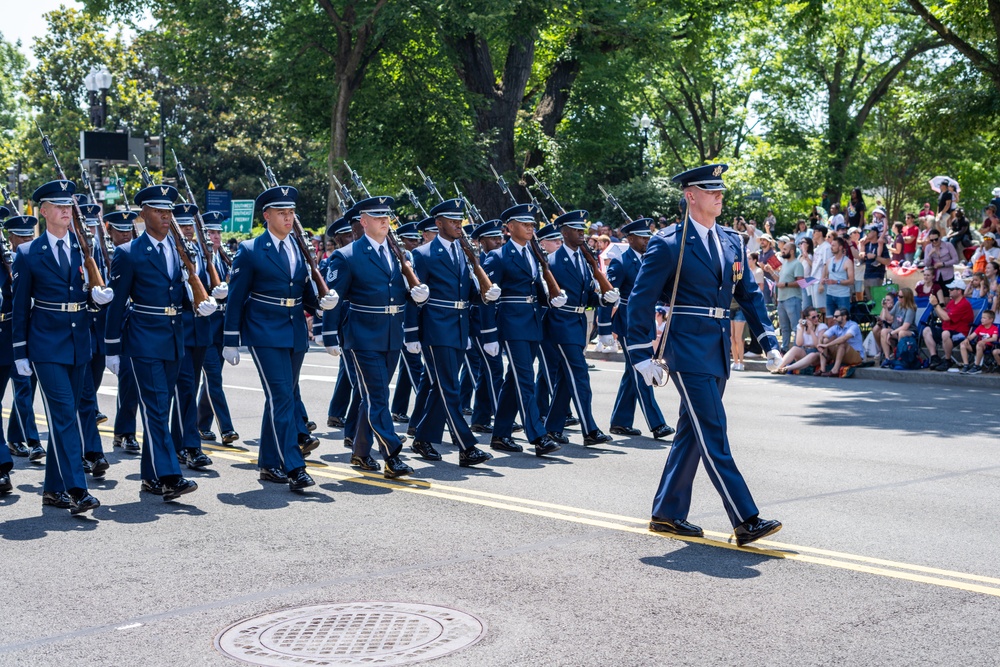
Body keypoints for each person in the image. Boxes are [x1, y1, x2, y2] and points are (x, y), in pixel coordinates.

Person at [627, 163, 782, 548]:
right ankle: (746, 518)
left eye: (721, 190)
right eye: (710, 190)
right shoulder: (668, 243)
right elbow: (641, 299)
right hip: (687, 347)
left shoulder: (731, 241)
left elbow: (749, 295)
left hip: (716, 347)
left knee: (692, 433)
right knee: (712, 429)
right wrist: (640, 353)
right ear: (690, 195)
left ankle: (667, 513)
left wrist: (768, 340)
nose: (719, 195)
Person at [223, 185, 338, 489]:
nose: (289, 218)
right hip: (263, 331)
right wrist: (230, 339)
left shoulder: (297, 248)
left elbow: (301, 291)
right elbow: (236, 297)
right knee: (283, 397)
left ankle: (268, 464)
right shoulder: (250, 250)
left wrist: (320, 305)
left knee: (280, 398)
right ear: (267, 216)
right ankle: (294, 465)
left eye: (291, 213)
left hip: (294, 330)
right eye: (282, 213)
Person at [105, 182, 212, 501]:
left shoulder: (178, 250)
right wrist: (112, 346)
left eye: (169, 211)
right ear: (144, 214)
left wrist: (197, 300)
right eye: (159, 211)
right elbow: (117, 303)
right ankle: (169, 476)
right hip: (143, 337)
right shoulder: (128, 254)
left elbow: (178, 290)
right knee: (153, 409)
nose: (166, 217)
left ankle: (151, 477)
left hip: (174, 336)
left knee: (162, 408)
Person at [13, 180, 114, 513]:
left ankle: (53, 489)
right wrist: (20, 351)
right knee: (62, 416)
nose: (65, 211)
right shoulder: (28, 253)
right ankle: (76, 489)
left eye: (68, 206)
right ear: (43, 212)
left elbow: (88, 295)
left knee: (67, 416)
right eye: (58, 207)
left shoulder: (83, 250)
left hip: (78, 341)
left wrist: (98, 301)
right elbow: (18, 306)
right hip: (45, 343)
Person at [324, 196, 426, 477]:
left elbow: (398, 291)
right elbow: (335, 298)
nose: (385, 221)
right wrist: (330, 334)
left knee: (372, 397)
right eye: (377, 217)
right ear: (364, 222)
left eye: (387, 217)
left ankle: (359, 453)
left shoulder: (397, 254)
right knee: (379, 396)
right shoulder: (347, 256)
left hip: (392, 333)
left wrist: (414, 295)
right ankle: (392, 454)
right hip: (363, 335)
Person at [404, 198, 498, 467]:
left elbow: (467, 292)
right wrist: (411, 333)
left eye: (460, 220)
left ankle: (422, 438)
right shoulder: (422, 254)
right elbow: (414, 295)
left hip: (458, 326)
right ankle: (466, 446)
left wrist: (484, 294)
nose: (458, 225)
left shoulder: (463, 252)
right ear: (439, 223)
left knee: (439, 388)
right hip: (436, 326)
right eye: (452, 220)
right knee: (450, 387)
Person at [482, 204, 565, 457]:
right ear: (508, 228)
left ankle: (500, 434)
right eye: (524, 223)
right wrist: (488, 334)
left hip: (531, 322)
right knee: (525, 379)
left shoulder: (533, 253)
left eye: (532, 224)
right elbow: (487, 296)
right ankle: (538, 436)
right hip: (511, 323)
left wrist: (550, 299)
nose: (531, 227)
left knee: (514, 379)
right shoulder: (497, 256)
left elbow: (533, 287)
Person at [540, 209, 618, 446]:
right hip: (560, 324)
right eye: (576, 229)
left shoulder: (584, 260)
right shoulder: (552, 261)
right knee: (580, 374)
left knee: (566, 378)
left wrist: (604, 299)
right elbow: (544, 295)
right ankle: (589, 429)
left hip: (578, 322)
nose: (582, 233)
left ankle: (552, 428)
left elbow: (587, 296)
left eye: (582, 229)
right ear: (563, 232)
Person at [603, 219, 674, 438]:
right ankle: (657, 423)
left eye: (648, 236)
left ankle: (620, 421)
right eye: (642, 237)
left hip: (645, 321)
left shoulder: (648, 261)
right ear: (630, 238)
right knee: (641, 370)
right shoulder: (620, 262)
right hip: (627, 323)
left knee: (630, 372)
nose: (646, 241)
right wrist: (605, 327)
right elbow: (607, 296)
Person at [170, 203, 227, 470]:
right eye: (182, 227)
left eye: (190, 227)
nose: (187, 232)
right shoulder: (170, 252)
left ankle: (178, 442)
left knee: (189, 390)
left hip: (201, 331)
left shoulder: (201, 255)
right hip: (179, 329)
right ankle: (191, 447)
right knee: (184, 389)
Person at [3, 215, 45, 462]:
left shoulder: (36, 257)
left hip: (37, 332)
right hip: (14, 332)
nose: (27, 240)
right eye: (21, 236)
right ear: (11, 239)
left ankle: (15, 437)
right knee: (23, 387)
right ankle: (33, 440)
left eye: (30, 235)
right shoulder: (7, 261)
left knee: (30, 386)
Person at [196, 211, 238, 445]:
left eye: (218, 232)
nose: (216, 236)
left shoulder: (224, 258)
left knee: (212, 378)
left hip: (222, 328)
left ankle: (200, 424)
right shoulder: (198, 259)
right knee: (213, 377)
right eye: (211, 232)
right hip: (205, 328)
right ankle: (227, 428)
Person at [103, 211, 142, 455]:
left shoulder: (136, 251)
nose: (125, 233)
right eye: (120, 230)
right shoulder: (98, 251)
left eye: (128, 229)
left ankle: (124, 432)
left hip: (132, 321)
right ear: (109, 231)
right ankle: (122, 432)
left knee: (132, 383)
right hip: (105, 322)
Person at [468, 220, 506, 433]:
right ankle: (501, 415)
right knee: (494, 370)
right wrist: (489, 332)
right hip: (480, 325)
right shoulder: (486, 262)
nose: (498, 242)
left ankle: (481, 418)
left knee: (486, 371)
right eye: (493, 238)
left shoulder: (492, 259)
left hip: (489, 324)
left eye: (499, 237)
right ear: (481, 241)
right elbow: (484, 300)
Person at [922, 277, 974, 372]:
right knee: (926, 330)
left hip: (960, 333)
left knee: (945, 334)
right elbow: (942, 317)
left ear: (959, 291)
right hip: (947, 329)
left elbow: (946, 317)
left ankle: (947, 360)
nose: (948, 290)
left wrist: (936, 304)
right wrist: (936, 306)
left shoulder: (963, 304)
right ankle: (934, 357)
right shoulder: (951, 303)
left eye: (951, 289)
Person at [772, 307, 828, 374]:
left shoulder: (822, 326)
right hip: (804, 351)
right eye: (813, 317)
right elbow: (799, 344)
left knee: (812, 355)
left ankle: (787, 368)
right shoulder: (801, 326)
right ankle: (778, 367)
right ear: (806, 318)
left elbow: (817, 345)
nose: (816, 319)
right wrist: (801, 328)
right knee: (795, 348)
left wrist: (811, 330)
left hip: (817, 353)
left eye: (817, 316)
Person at [774, 237, 804, 351]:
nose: (782, 251)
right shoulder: (785, 263)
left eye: (785, 249)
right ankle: (785, 349)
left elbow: (801, 282)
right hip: (781, 300)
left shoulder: (797, 264)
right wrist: (770, 272)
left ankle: (797, 349)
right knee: (784, 328)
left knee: (796, 327)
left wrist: (786, 284)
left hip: (792, 299)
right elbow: (779, 281)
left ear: (791, 251)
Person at [816, 309, 864, 376]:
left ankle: (835, 370)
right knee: (825, 340)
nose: (834, 318)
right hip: (843, 354)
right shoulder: (836, 327)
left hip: (856, 356)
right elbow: (823, 336)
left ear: (844, 317)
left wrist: (827, 345)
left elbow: (844, 338)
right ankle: (822, 369)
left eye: (836, 316)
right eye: (834, 316)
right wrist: (819, 345)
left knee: (842, 343)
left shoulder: (853, 326)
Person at [878, 287, 917, 365]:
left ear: (907, 298)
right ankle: (887, 358)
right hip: (897, 330)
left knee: (901, 332)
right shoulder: (898, 304)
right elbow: (890, 317)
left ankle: (899, 357)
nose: (898, 298)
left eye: (901, 297)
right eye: (898, 296)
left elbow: (905, 327)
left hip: (910, 332)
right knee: (883, 331)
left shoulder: (911, 309)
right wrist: (885, 308)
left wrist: (891, 333)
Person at [822, 236, 854, 322]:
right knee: (830, 321)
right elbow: (825, 275)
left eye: (833, 245)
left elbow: (851, 281)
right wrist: (824, 280)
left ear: (840, 247)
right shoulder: (829, 261)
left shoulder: (847, 261)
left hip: (842, 295)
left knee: (843, 321)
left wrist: (836, 281)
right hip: (830, 294)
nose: (831, 247)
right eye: (831, 245)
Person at [958, 310, 997, 374]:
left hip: (987, 346)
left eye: (984, 318)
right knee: (963, 344)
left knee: (979, 345)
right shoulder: (980, 327)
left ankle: (977, 366)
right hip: (977, 345)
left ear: (991, 320)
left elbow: (994, 338)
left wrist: (984, 341)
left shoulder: (994, 328)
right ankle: (966, 365)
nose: (982, 319)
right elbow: (971, 336)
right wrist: (967, 339)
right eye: (982, 317)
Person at [861, 223, 890, 299]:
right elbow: (861, 259)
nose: (866, 233)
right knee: (870, 303)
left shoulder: (881, 245)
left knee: (877, 302)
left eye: (868, 231)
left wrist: (875, 257)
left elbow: (888, 262)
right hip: (866, 277)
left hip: (876, 277)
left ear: (875, 232)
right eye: (865, 231)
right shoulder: (866, 245)